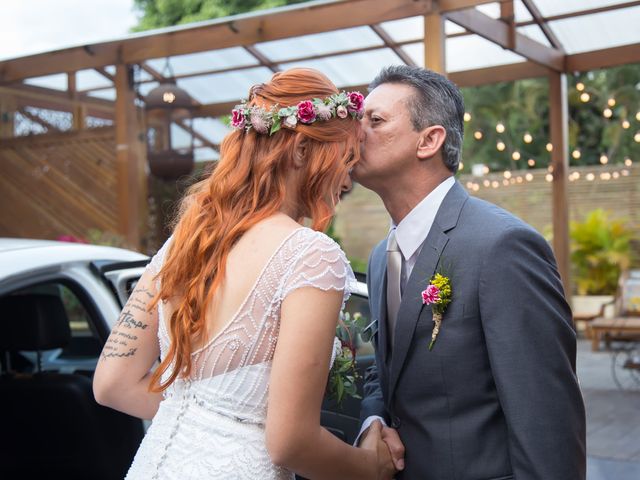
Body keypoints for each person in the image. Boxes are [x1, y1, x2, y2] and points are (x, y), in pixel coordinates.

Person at [93, 68, 396, 480]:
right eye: (344, 158)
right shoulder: (310, 254)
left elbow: (112, 384)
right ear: (302, 151)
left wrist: (207, 421)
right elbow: (290, 442)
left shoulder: (190, 238)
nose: (348, 178)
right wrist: (370, 467)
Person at [353, 65, 587, 479]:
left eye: (375, 120)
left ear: (429, 140)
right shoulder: (377, 258)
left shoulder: (503, 246)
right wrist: (373, 422)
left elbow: (546, 418)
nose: (357, 133)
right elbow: (385, 372)